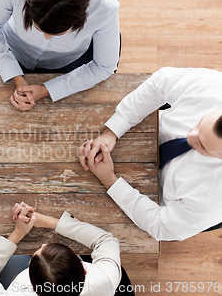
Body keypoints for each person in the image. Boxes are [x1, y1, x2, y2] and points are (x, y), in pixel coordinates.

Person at [78, 67, 222, 241]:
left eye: (203, 146)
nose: (190, 136)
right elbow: (159, 84)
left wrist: (109, 180)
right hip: (147, 135)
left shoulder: (211, 199)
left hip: (166, 202)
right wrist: (113, 130)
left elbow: (161, 226)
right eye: (199, 124)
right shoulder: (212, 86)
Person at [0, 0, 120, 111]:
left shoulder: (105, 8)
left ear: (80, 20)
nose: (46, 37)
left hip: (69, 59)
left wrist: (47, 90)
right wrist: (16, 76)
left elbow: (104, 66)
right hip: (12, 49)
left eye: (59, 34)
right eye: (38, 29)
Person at [0, 202, 121, 296]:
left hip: (17, 281)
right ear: (84, 270)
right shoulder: (104, 281)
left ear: (32, 288)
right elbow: (106, 240)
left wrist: (18, 233)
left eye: (36, 255)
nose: (43, 245)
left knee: (12, 256)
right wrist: (44, 220)